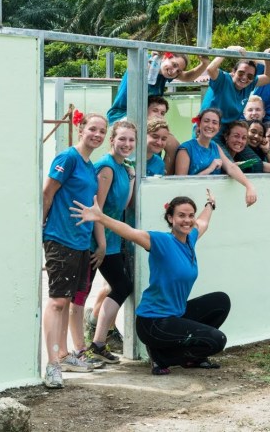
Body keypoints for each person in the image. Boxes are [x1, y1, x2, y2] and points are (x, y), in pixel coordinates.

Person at [70, 189, 229, 375]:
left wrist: (210, 204)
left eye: (190, 215)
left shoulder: (190, 238)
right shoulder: (161, 241)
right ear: (170, 218)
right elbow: (130, 232)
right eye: (181, 215)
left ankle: (192, 358)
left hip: (174, 316)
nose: (187, 220)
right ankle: (161, 357)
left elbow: (203, 222)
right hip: (153, 323)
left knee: (221, 301)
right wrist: (100, 217)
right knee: (217, 341)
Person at [41, 112, 108, 388]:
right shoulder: (68, 158)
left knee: (68, 301)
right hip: (60, 238)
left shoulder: (90, 166)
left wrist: (100, 242)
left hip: (81, 242)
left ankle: (64, 355)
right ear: (81, 129)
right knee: (57, 301)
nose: (97, 134)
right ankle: (52, 365)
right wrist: (40, 229)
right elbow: (47, 193)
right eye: (92, 129)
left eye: (102, 131)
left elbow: (93, 208)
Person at [76, 121, 137, 365]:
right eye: (122, 139)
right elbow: (96, 210)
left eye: (131, 140)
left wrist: (131, 178)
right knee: (82, 295)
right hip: (95, 241)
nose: (127, 144)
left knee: (122, 286)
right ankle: (82, 349)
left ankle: (98, 344)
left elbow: (124, 205)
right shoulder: (107, 167)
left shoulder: (123, 168)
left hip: (110, 241)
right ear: (112, 140)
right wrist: (100, 245)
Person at [108, 54, 208, 174]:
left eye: (178, 70)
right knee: (147, 143)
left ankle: (161, 177)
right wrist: (157, 55)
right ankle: (129, 174)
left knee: (173, 146)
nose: (174, 71)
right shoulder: (147, 63)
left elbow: (187, 76)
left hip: (147, 119)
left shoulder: (164, 75)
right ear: (165, 57)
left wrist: (204, 64)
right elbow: (144, 62)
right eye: (174, 65)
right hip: (124, 116)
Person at [175, 108, 258, 207]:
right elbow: (181, 184)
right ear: (199, 124)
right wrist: (210, 169)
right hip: (190, 203)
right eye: (206, 121)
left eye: (214, 123)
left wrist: (249, 186)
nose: (210, 125)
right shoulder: (186, 148)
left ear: (218, 128)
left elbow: (231, 167)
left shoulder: (215, 146)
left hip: (210, 202)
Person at [199, 46, 270, 130]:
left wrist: (267, 56)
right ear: (233, 72)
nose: (244, 78)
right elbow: (210, 69)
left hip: (227, 134)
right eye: (241, 73)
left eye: (250, 76)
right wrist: (227, 51)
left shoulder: (249, 84)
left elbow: (268, 77)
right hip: (207, 130)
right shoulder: (223, 80)